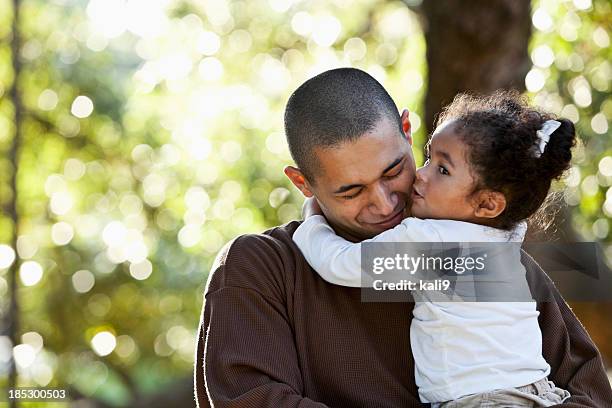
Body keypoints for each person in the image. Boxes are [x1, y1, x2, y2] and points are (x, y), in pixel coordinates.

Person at [194, 68, 612, 407]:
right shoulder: (261, 268)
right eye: (351, 191)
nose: (385, 202)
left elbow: (590, 393)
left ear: (408, 130)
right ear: (304, 184)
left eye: (394, 170)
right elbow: (251, 399)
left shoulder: (486, 253)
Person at [292, 91, 576, 406]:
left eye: (442, 170)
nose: (421, 175)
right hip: (537, 390)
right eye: (429, 158)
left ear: (487, 203)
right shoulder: (505, 240)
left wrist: (312, 220)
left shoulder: (430, 242)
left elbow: (337, 263)